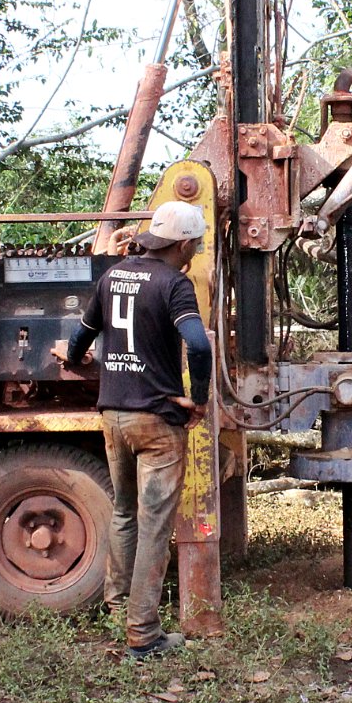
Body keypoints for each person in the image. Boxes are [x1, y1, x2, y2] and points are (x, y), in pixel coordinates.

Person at [56, 201, 214, 659]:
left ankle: (117, 605)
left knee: (124, 512)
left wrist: (73, 359)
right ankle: (143, 632)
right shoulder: (174, 284)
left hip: (113, 415)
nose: (196, 251)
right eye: (196, 244)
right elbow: (199, 346)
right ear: (182, 244)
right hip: (156, 421)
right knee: (154, 525)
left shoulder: (112, 276)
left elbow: (81, 337)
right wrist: (197, 398)